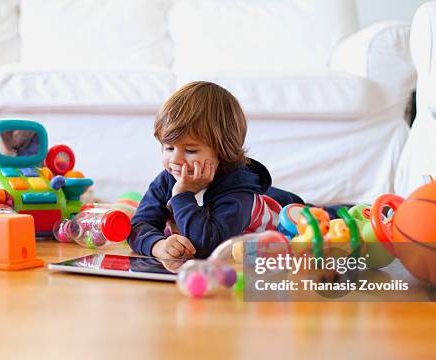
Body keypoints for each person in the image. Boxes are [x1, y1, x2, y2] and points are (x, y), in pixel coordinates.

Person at [128, 81, 305, 260]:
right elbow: (139, 225)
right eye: (169, 148)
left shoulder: (238, 195)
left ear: (223, 152)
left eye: (190, 150)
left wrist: (183, 195)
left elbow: (207, 248)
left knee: (321, 216)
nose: (175, 159)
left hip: (290, 222)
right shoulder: (168, 179)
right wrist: (157, 245)